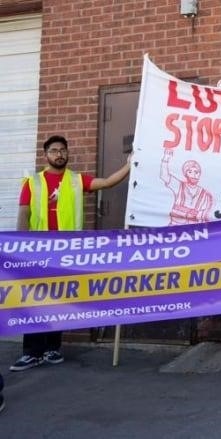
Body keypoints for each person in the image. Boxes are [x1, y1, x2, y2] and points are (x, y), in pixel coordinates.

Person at [10, 135, 131, 372]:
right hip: (38, 251)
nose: (59, 154)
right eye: (54, 150)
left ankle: (52, 348)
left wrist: (129, 165)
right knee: (33, 301)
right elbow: (23, 214)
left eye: (63, 150)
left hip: (66, 252)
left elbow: (106, 183)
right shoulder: (32, 182)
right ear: (46, 155)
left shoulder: (76, 180)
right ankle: (32, 352)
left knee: (57, 300)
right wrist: (21, 245)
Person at [161, 148, 214, 224]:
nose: (194, 175)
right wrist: (165, 159)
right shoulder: (179, 186)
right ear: (185, 173)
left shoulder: (205, 194)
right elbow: (164, 176)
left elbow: (204, 216)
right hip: (175, 228)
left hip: (193, 231)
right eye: (190, 172)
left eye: (196, 172)